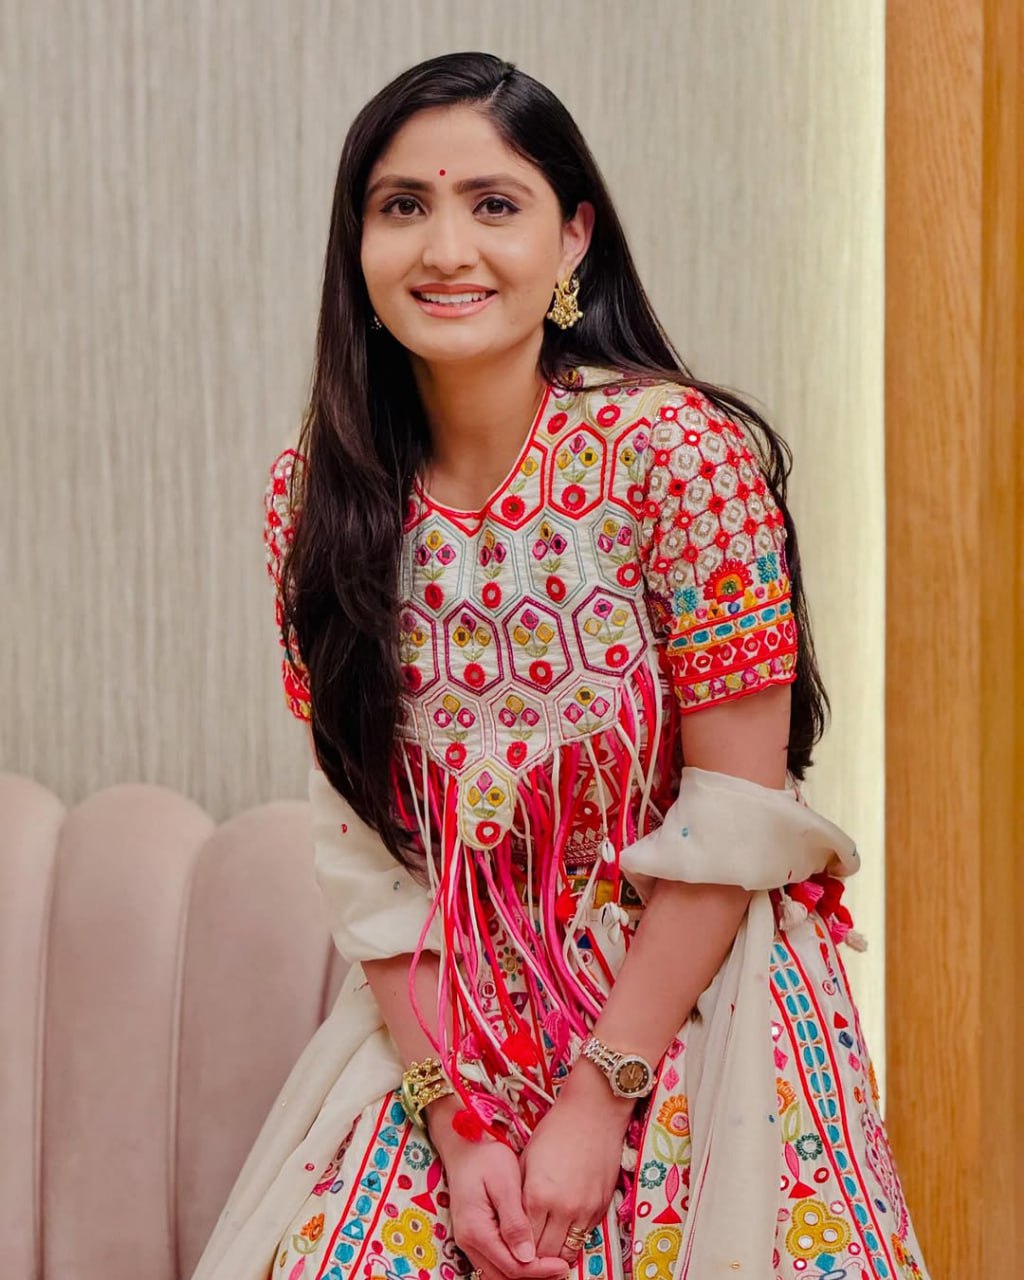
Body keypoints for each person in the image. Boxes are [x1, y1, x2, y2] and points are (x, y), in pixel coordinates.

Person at [192, 51, 930, 1280]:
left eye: (494, 203)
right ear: (357, 245)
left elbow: (737, 813)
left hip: (695, 1003)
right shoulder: (317, 498)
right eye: (402, 205)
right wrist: (451, 1117)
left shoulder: (676, 453)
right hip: (448, 1036)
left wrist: (599, 1095)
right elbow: (365, 846)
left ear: (571, 234)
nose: (446, 249)